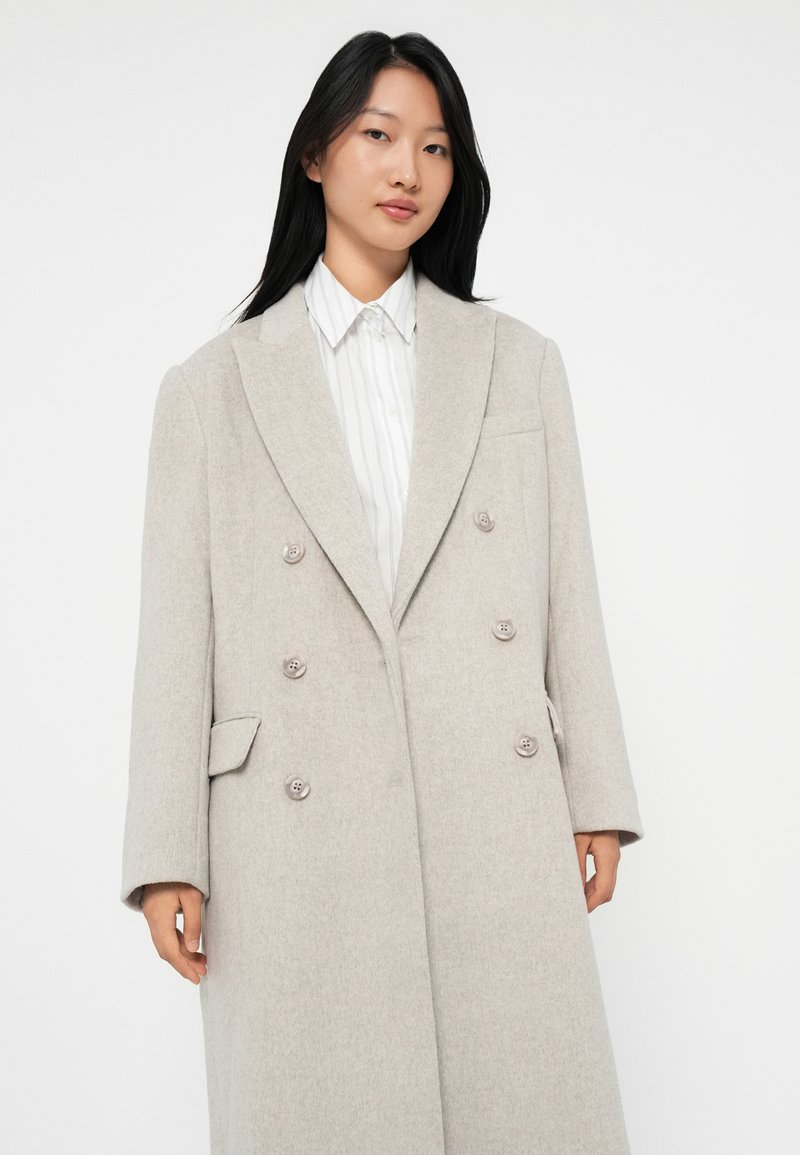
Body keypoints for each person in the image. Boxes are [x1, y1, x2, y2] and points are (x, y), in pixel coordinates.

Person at [120, 29, 645, 1154]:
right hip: (291, 825)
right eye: (378, 135)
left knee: (529, 1102)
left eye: (436, 147)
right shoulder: (209, 390)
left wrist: (596, 788)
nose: (409, 169)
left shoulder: (518, 362)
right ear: (315, 154)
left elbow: (569, 587)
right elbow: (173, 635)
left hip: (490, 800)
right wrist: (166, 853)